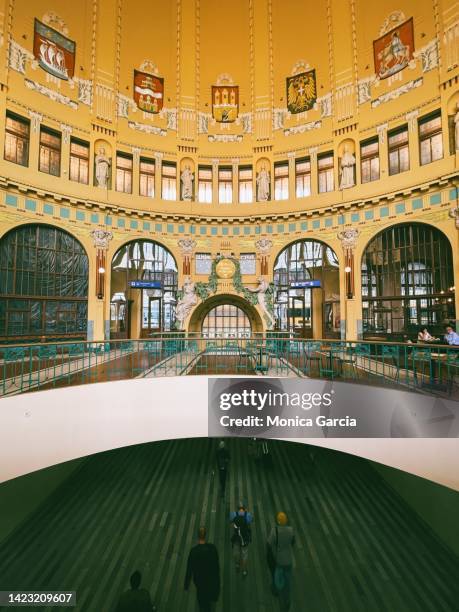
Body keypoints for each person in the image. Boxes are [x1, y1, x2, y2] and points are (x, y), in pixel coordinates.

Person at [184, 526, 220, 612]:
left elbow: (189, 569)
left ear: (198, 536)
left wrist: (186, 584)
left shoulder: (194, 551)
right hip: (211, 580)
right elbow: (216, 567)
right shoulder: (212, 549)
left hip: (200, 581)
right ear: (205, 535)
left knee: (202, 600)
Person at [267, 512, 295, 611]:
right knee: (287, 583)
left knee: (278, 581)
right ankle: (287, 602)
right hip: (288, 560)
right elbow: (292, 542)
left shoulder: (275, 532)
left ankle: (277, 593)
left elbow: (269, 544)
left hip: (279, 560)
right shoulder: (290, 530)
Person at [230, 502, 253, 577]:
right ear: (244, 508)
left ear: (238, 509)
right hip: (245, 539)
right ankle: (244, 570)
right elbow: (249, 523)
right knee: (244, 554)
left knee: (236, 553)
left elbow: (232, 523)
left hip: (236, 538)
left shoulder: (233, 514)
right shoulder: (248, 515)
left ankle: (237, 564)